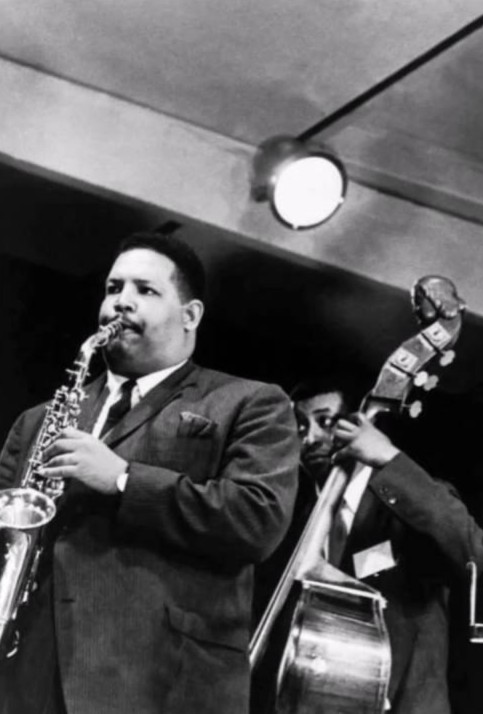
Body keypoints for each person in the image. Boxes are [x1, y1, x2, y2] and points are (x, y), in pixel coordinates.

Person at [0, 232, 300, 714]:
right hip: (26, 674)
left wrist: (123, 479)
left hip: (161, 683)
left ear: (191, 315)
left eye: (146, 290)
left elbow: (256, 520)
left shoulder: (251, 402)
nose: (121, 302)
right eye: (113, 288)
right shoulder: (36, 421)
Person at [254, 377, 483, 714]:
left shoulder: (407, 502)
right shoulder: (295, 525)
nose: (310, 438)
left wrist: (389, 458)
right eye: (300, 426)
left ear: (361, 425)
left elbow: (474, 553)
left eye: (326, 421)